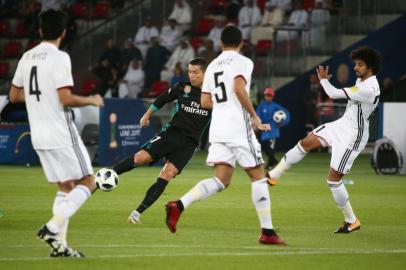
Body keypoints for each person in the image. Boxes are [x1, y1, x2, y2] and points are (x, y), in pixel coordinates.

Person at [165, 25, 286, 245]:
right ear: (241, 44)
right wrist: (254, 116)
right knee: (259, 176)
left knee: (221, 180)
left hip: (218, 129)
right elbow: (239, 89)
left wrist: (224, 107)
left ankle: (179, 205)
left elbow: (204, 102)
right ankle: (267, 232)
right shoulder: (243, 62)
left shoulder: (211, 67)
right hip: (238, 127)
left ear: (221, 44)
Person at [8, 9, 104, 257]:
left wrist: (39, 98)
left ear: (40, 30)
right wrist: (92, 100)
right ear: (64, 31)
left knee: (65, 187)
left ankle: (60, 247)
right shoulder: (60, 57)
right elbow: (65, 98)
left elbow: (14, 96)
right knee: (88, 181)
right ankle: (51, 228)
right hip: (61, 131)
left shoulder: (27, 56)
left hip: (38, 133)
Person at [268, 46, 382, 233]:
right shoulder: (363, 78)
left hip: (354, 136)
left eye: (360, 65)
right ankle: (273, 176)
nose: (355, 68)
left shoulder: (368, 88)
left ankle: (351, 220)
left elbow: (334, 94)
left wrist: (322, 81)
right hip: (342, 125)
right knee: (306, 143)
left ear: (370, 68)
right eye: (356, 64)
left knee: (333, 180)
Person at [111, 57, 211, 223]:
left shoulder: (214, 96)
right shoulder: (182, 87)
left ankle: (137, 213)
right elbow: (162, 99)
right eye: (189, 72)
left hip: (189, 143)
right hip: (171, 133)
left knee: (167, 174)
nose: (191, 76)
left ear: (205, 73)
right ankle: (108, 175)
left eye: (196, 72)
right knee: (140, 158)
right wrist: (146, 115)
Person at [256, 87, 290, 170]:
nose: (268, 97)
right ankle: (274, 161)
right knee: (264, 147)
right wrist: (257, 125)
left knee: (270, 148)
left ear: (272, 97)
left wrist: (283, 122)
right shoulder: (261, 106)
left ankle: (270, 165)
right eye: (267, 95)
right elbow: (257, 116)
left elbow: (286, 114)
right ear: (264, 96)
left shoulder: (276, 106)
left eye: (270, 96)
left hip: (273, 130)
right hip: (264, 130)